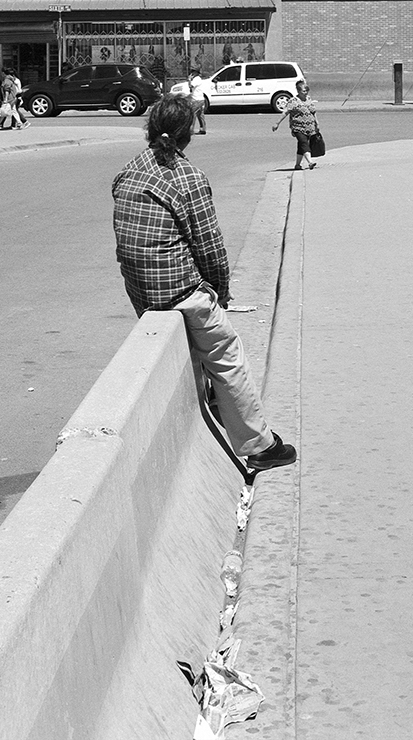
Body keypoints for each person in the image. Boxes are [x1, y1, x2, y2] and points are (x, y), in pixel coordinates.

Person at [112, 95, 296, 474]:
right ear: (189, 134)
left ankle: (212, 397)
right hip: (178, 292)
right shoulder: (188, 178)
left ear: (149, 129)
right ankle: (260, 445)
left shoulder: (129, 171)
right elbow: (210, 248)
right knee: (226, 353)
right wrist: (219, 293)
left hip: (140, 290)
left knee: (198, 343)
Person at [270, 80, 321, 170]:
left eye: (307, 91)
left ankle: (297, 165)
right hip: (298, 127)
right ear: (298, 91)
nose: (306, 93)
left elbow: (313, 112)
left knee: (301, 146)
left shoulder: (308, 99)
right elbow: (285, 112)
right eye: (303, 91)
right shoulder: (293, 101)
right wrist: (277, 123)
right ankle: (310, 162)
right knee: (304, 143)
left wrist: (316, 123)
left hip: (309, 127)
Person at [186, 67, 213, 134]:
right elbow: (191, 90)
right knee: (200, 115)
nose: (192, 73)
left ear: (196, 73)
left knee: (192, 114)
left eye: (193, 72)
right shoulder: (196, 79)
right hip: (200, 99)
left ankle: (191, 130)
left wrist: (189, 80)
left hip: (197, 100)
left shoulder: (196, 79)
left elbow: (190, 86)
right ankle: (203, 129)